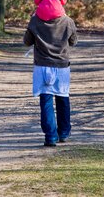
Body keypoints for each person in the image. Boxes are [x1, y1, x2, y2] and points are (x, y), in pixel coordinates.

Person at [23, 11, 77, 147]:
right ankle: (63, 133)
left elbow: (27, 42)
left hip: (42, 66)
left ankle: (50, 136)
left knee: (46, 100)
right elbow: (73, 41)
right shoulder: (67, 21)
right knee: (63, 98)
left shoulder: (35, 20)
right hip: (62, 66)